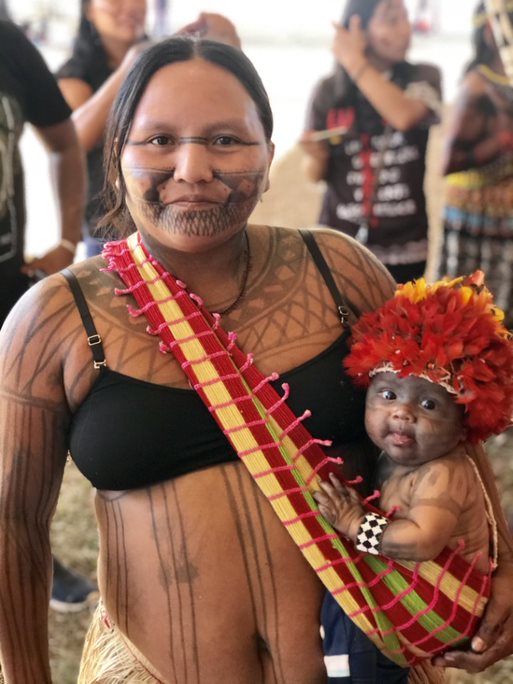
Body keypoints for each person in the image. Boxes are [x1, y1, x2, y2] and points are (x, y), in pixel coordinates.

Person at [0, 37, 512, 684]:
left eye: (224, 141)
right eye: (158, 140)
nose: (191, 168)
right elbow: (13, 528)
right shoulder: (53, 320)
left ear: (270, 158)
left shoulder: (340, 271)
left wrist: (503, 563)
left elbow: (452, 427)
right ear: (117, 156)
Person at [314, 270, 513, 682]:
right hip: (421, 591)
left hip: (441, 603)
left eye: (428, 404)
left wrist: (356, 525)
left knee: (354, 617)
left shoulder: (444, 472)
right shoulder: (397, 456)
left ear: (465, 427)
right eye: (387, 395)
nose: (403, 413)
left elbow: (422, 541)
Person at [0, 18, 99, 613]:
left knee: (16, 455)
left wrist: (66, 240)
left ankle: (28, 554)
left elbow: (64, 139)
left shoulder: (6, 40)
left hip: (5, 290)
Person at [55, 0, 241, 256]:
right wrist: (135, 62)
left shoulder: (168, 65)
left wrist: (227, 50)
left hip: (172, 220)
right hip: (109, 234)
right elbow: (72, 140)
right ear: (88, 9)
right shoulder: (76, 76)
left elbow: (223, 115)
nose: (130, 6)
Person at [300, 0, 442, 283]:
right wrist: (316, 155)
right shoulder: (329, 90)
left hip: (405, 246)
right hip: (339, 242)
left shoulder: (422, 76)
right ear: (358, 30)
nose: (406, 28)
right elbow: (315, 175)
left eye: (405, 17)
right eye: (392, 19)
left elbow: (403, 115)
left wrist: (354, 60)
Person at [436, 1, 513, 328]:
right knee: (474, 314)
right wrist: (502, 142)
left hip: (504, 216)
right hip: (476, 217)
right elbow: (447, 162)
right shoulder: (478, 86)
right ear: (490, 31)